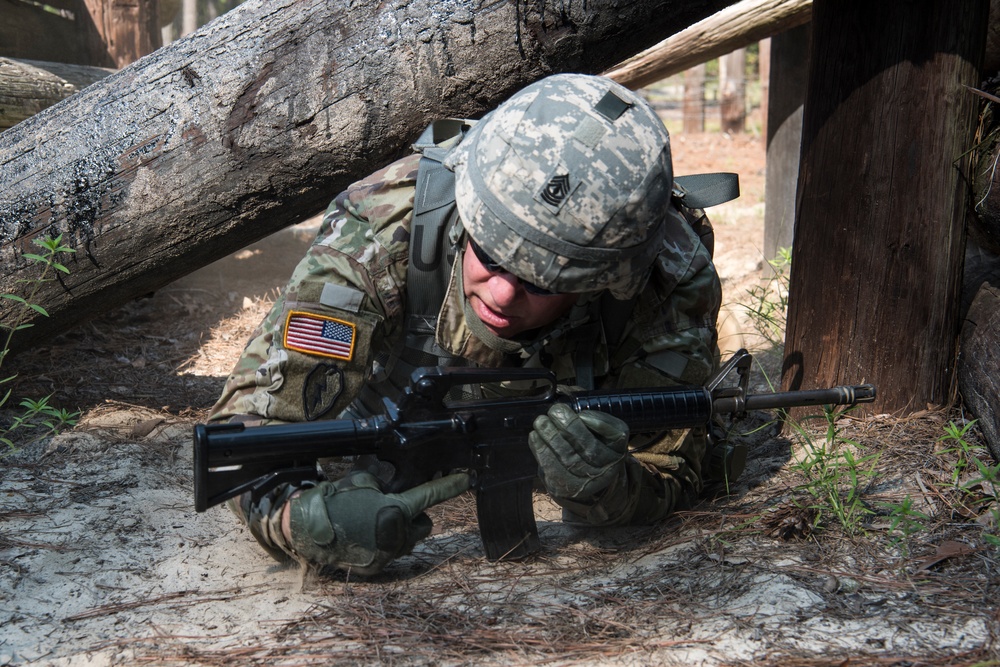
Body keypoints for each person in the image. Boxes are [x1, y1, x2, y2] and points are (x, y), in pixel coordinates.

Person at [209, 73, 724, 575]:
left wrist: (609, 488)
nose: (502, 293)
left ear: (607, 280)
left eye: (543, 281)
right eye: (491, 254)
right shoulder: (384, 230)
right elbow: (245, 432)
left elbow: (674, 469)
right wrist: (302, 521)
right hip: (389, 423)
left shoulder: (666, 285)